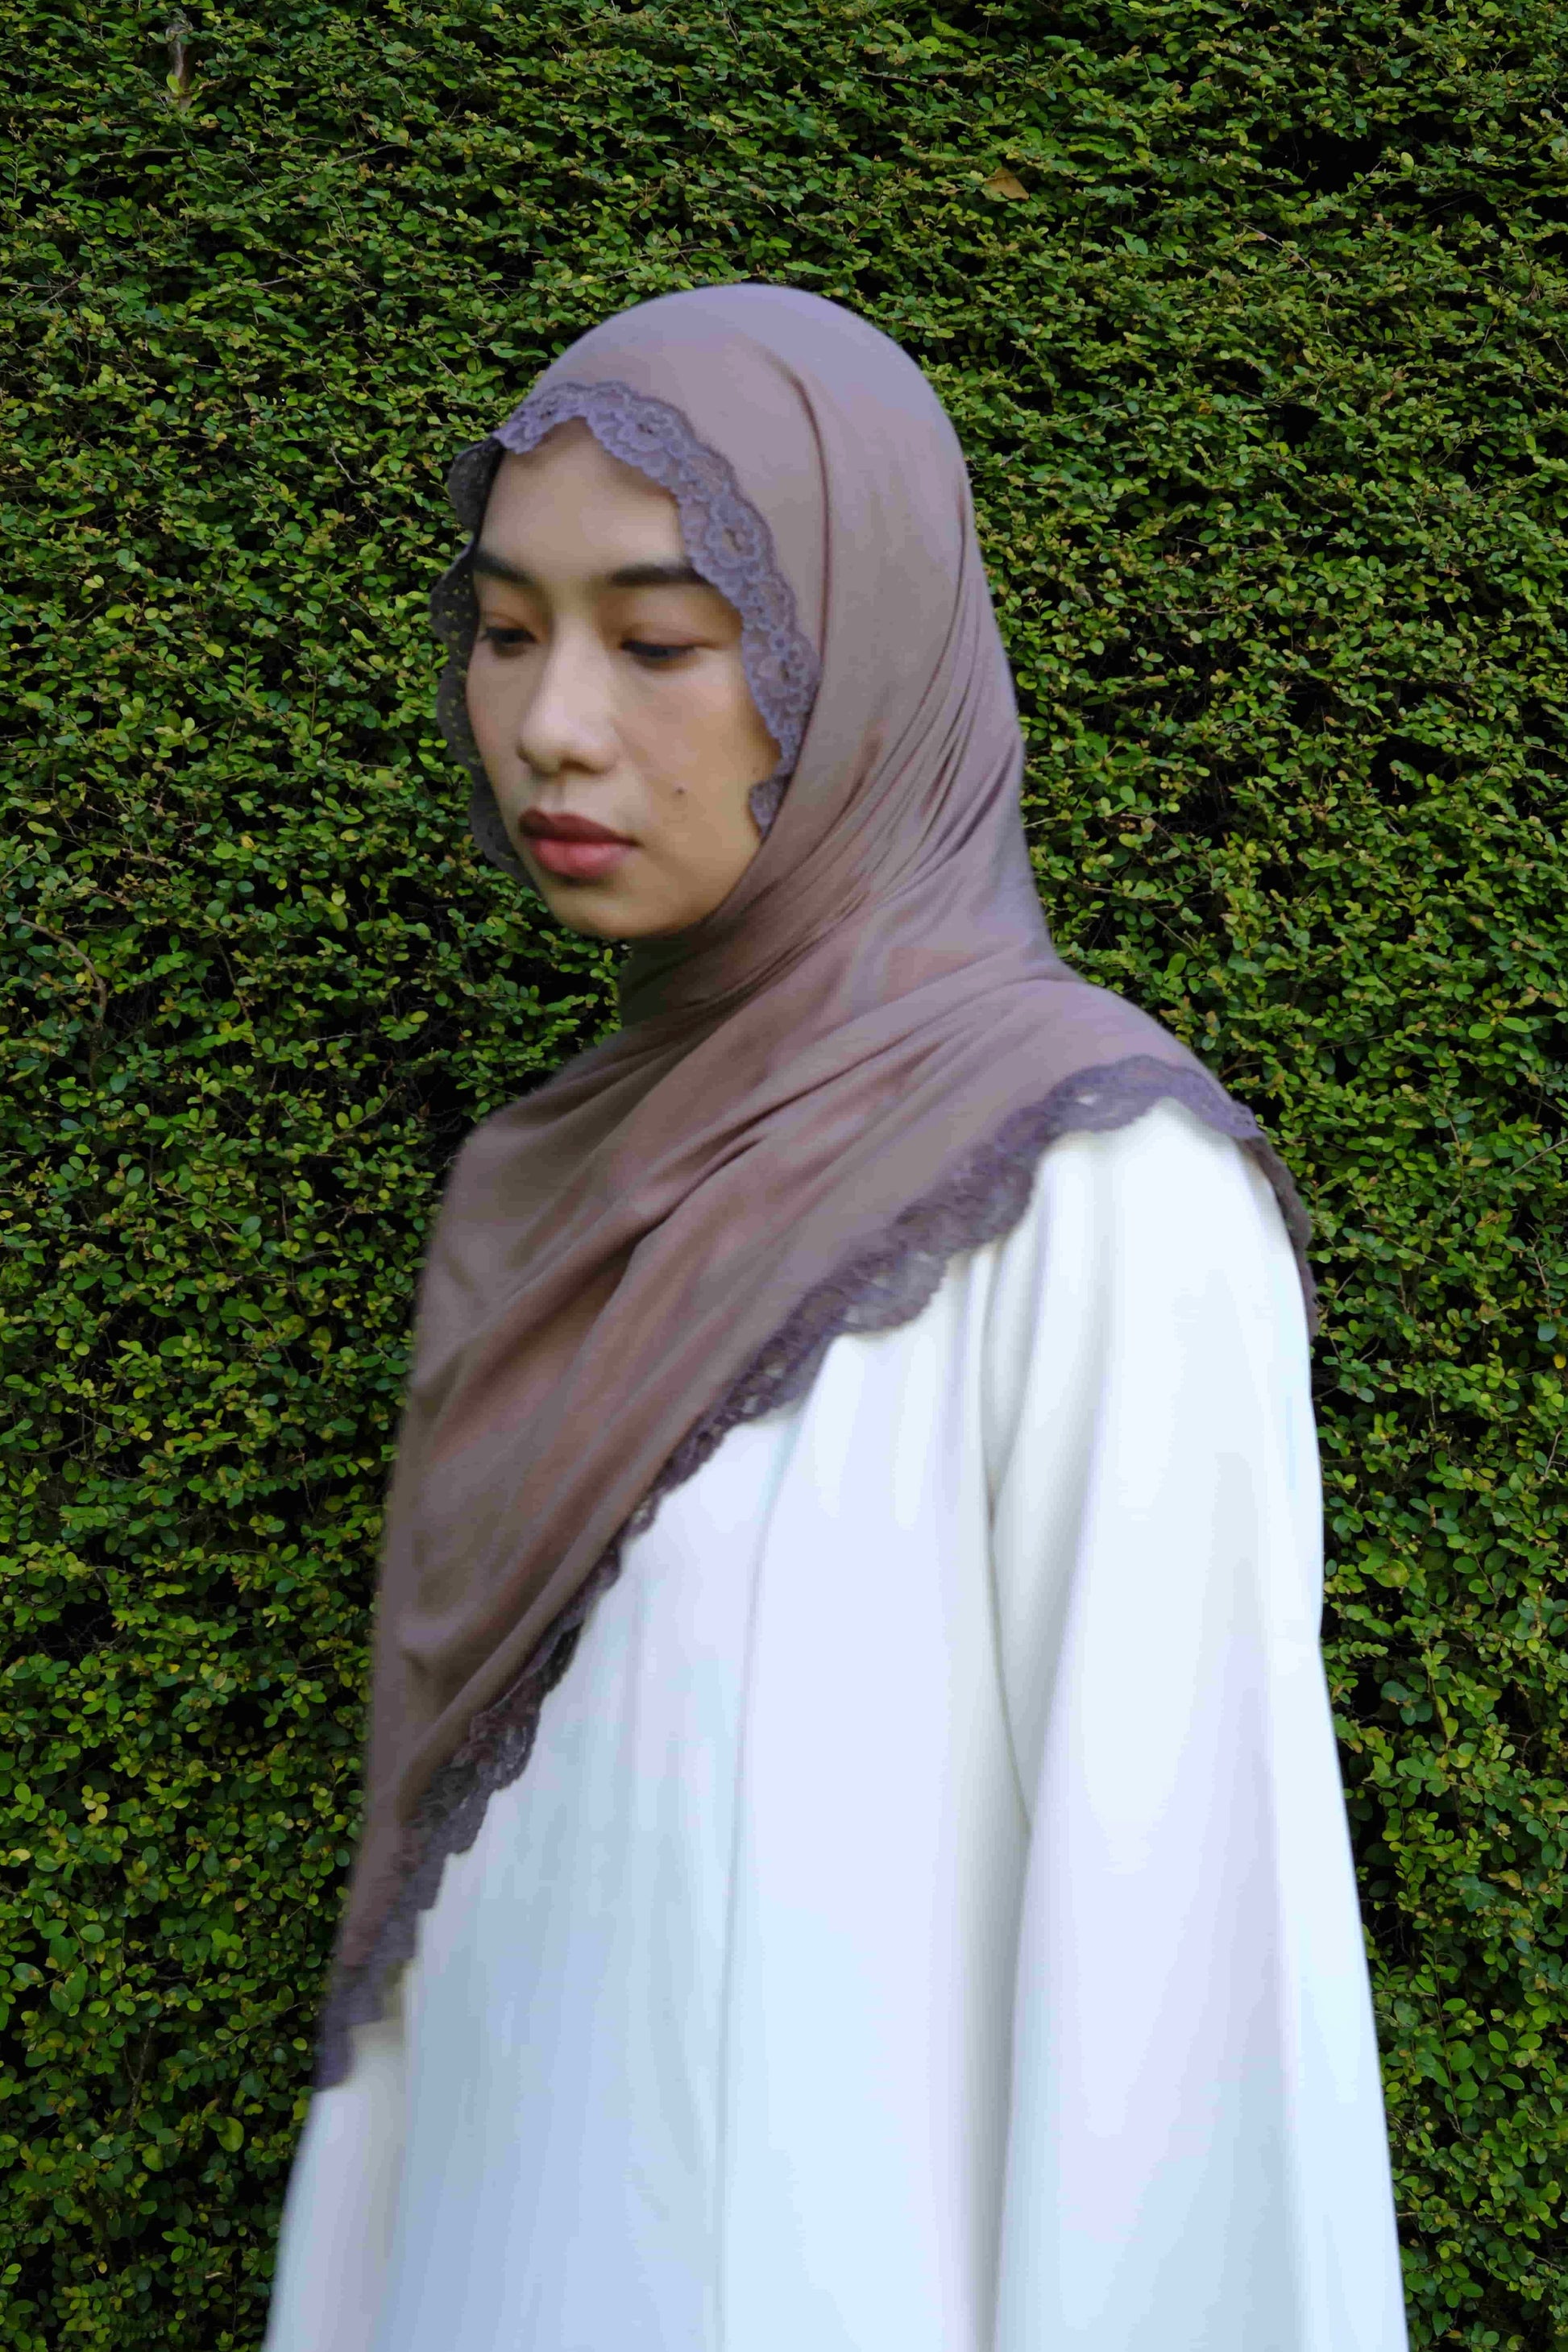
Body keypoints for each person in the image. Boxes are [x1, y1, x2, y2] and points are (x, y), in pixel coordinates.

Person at [263, 284, 1408, 2352]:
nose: (551, 725)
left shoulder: (1091, 1195)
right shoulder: (544, 1192)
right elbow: (447, 1989)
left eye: (659, 641)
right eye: (506, 629)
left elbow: (1186, 2009)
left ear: (854, 658)